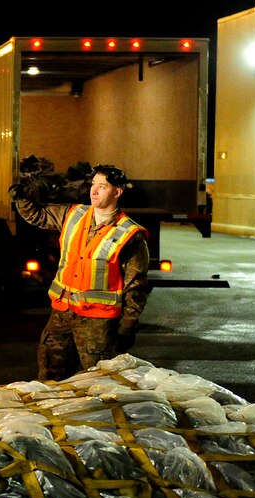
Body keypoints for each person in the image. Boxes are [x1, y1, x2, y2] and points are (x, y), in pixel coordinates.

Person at [9, 164, 150, 382]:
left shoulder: (129, 234)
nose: (94, 191)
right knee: (50, 376)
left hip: (98, 323)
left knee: (97, 382)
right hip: (63, 314)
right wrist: (23, 197)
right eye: (93, 184)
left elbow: (136, 286)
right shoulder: (73, 215)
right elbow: (36, 215)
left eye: (102, 186)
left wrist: (127, 326)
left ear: (117, 192)